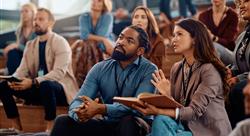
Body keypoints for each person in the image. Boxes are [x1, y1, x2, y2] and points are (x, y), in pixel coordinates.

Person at [50, 25, 157, 136]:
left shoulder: (149, 70)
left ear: (140, 51)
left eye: (129, 41)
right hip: (109, 123)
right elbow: (78, 99)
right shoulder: (100, 68)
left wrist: (102, 109)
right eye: (120, 37)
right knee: (62, 122)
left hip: (138, 124)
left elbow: (137, 107)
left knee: (128, 121)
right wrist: (80, 111)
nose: (121, 42)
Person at [132, 19, 232, 136]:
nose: (173, 39)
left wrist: (158, 110)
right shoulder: (177, 68)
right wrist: (166, 96)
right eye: (174, 35)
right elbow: (178, 107)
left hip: (207, 131)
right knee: (160, 120)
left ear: (195, 39)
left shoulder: (209, 70)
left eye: (179, 34)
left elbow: (194, 112)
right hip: (184, 126)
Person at [0, 8, 78, 132]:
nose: (36, 22)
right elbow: (22, 70)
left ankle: (50, 129)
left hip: (60, 91)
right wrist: (13, 80)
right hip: (39, 88)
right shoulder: (31, 44)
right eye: (35, 19)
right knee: (3, 86)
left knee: (46, 85)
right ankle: (16, 127)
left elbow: (58, 73)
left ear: (51, 23)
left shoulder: (60, 42)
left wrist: (32, 82)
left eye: (41, 19)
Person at [72, 0, 114, 86]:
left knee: (87, 45)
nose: (95, 2)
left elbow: (101, 34)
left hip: (104, 47)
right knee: (85, 45)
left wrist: (103, 40)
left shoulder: (107, 16)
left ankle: (86, 79)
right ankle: (92, 79)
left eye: (99, 1)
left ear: (104, 4)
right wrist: (103, 39)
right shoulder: (84, 17)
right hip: (89, 47)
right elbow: (84, 35)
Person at [226, 0, 250, 128]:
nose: (241, 6)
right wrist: (231, 71)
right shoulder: (242, 36)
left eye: (245, 1)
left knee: (237, 90)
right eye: (238, 2)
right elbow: (238, 64)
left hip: (245, 84)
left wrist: (238, 78)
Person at [0, 3, 37, 75]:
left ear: (33, 13)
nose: (23, 13)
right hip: (21, 58)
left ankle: (12, 75)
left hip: (32, 58)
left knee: (13, 50)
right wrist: (11, 47)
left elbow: (33, 51)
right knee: (12, 52)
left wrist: (16, 46)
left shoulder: (37, 29)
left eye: (26, 11)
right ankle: (12, 76)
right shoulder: (19, 29)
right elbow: (18, 48)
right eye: (22, 12)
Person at [199, 0, 238, 65]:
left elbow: (228, 41)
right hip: (208, 51)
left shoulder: (233, 15)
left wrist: (213, 37)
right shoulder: (203, 15)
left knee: (213, 47)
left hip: (229, 52)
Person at [131, 6, 166, 75]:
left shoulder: (158, 41)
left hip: (149, 77)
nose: (139, 20)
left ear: (149, 21)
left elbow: (155, 68)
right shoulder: (127, 37)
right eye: (136, 17)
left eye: (143, 17)